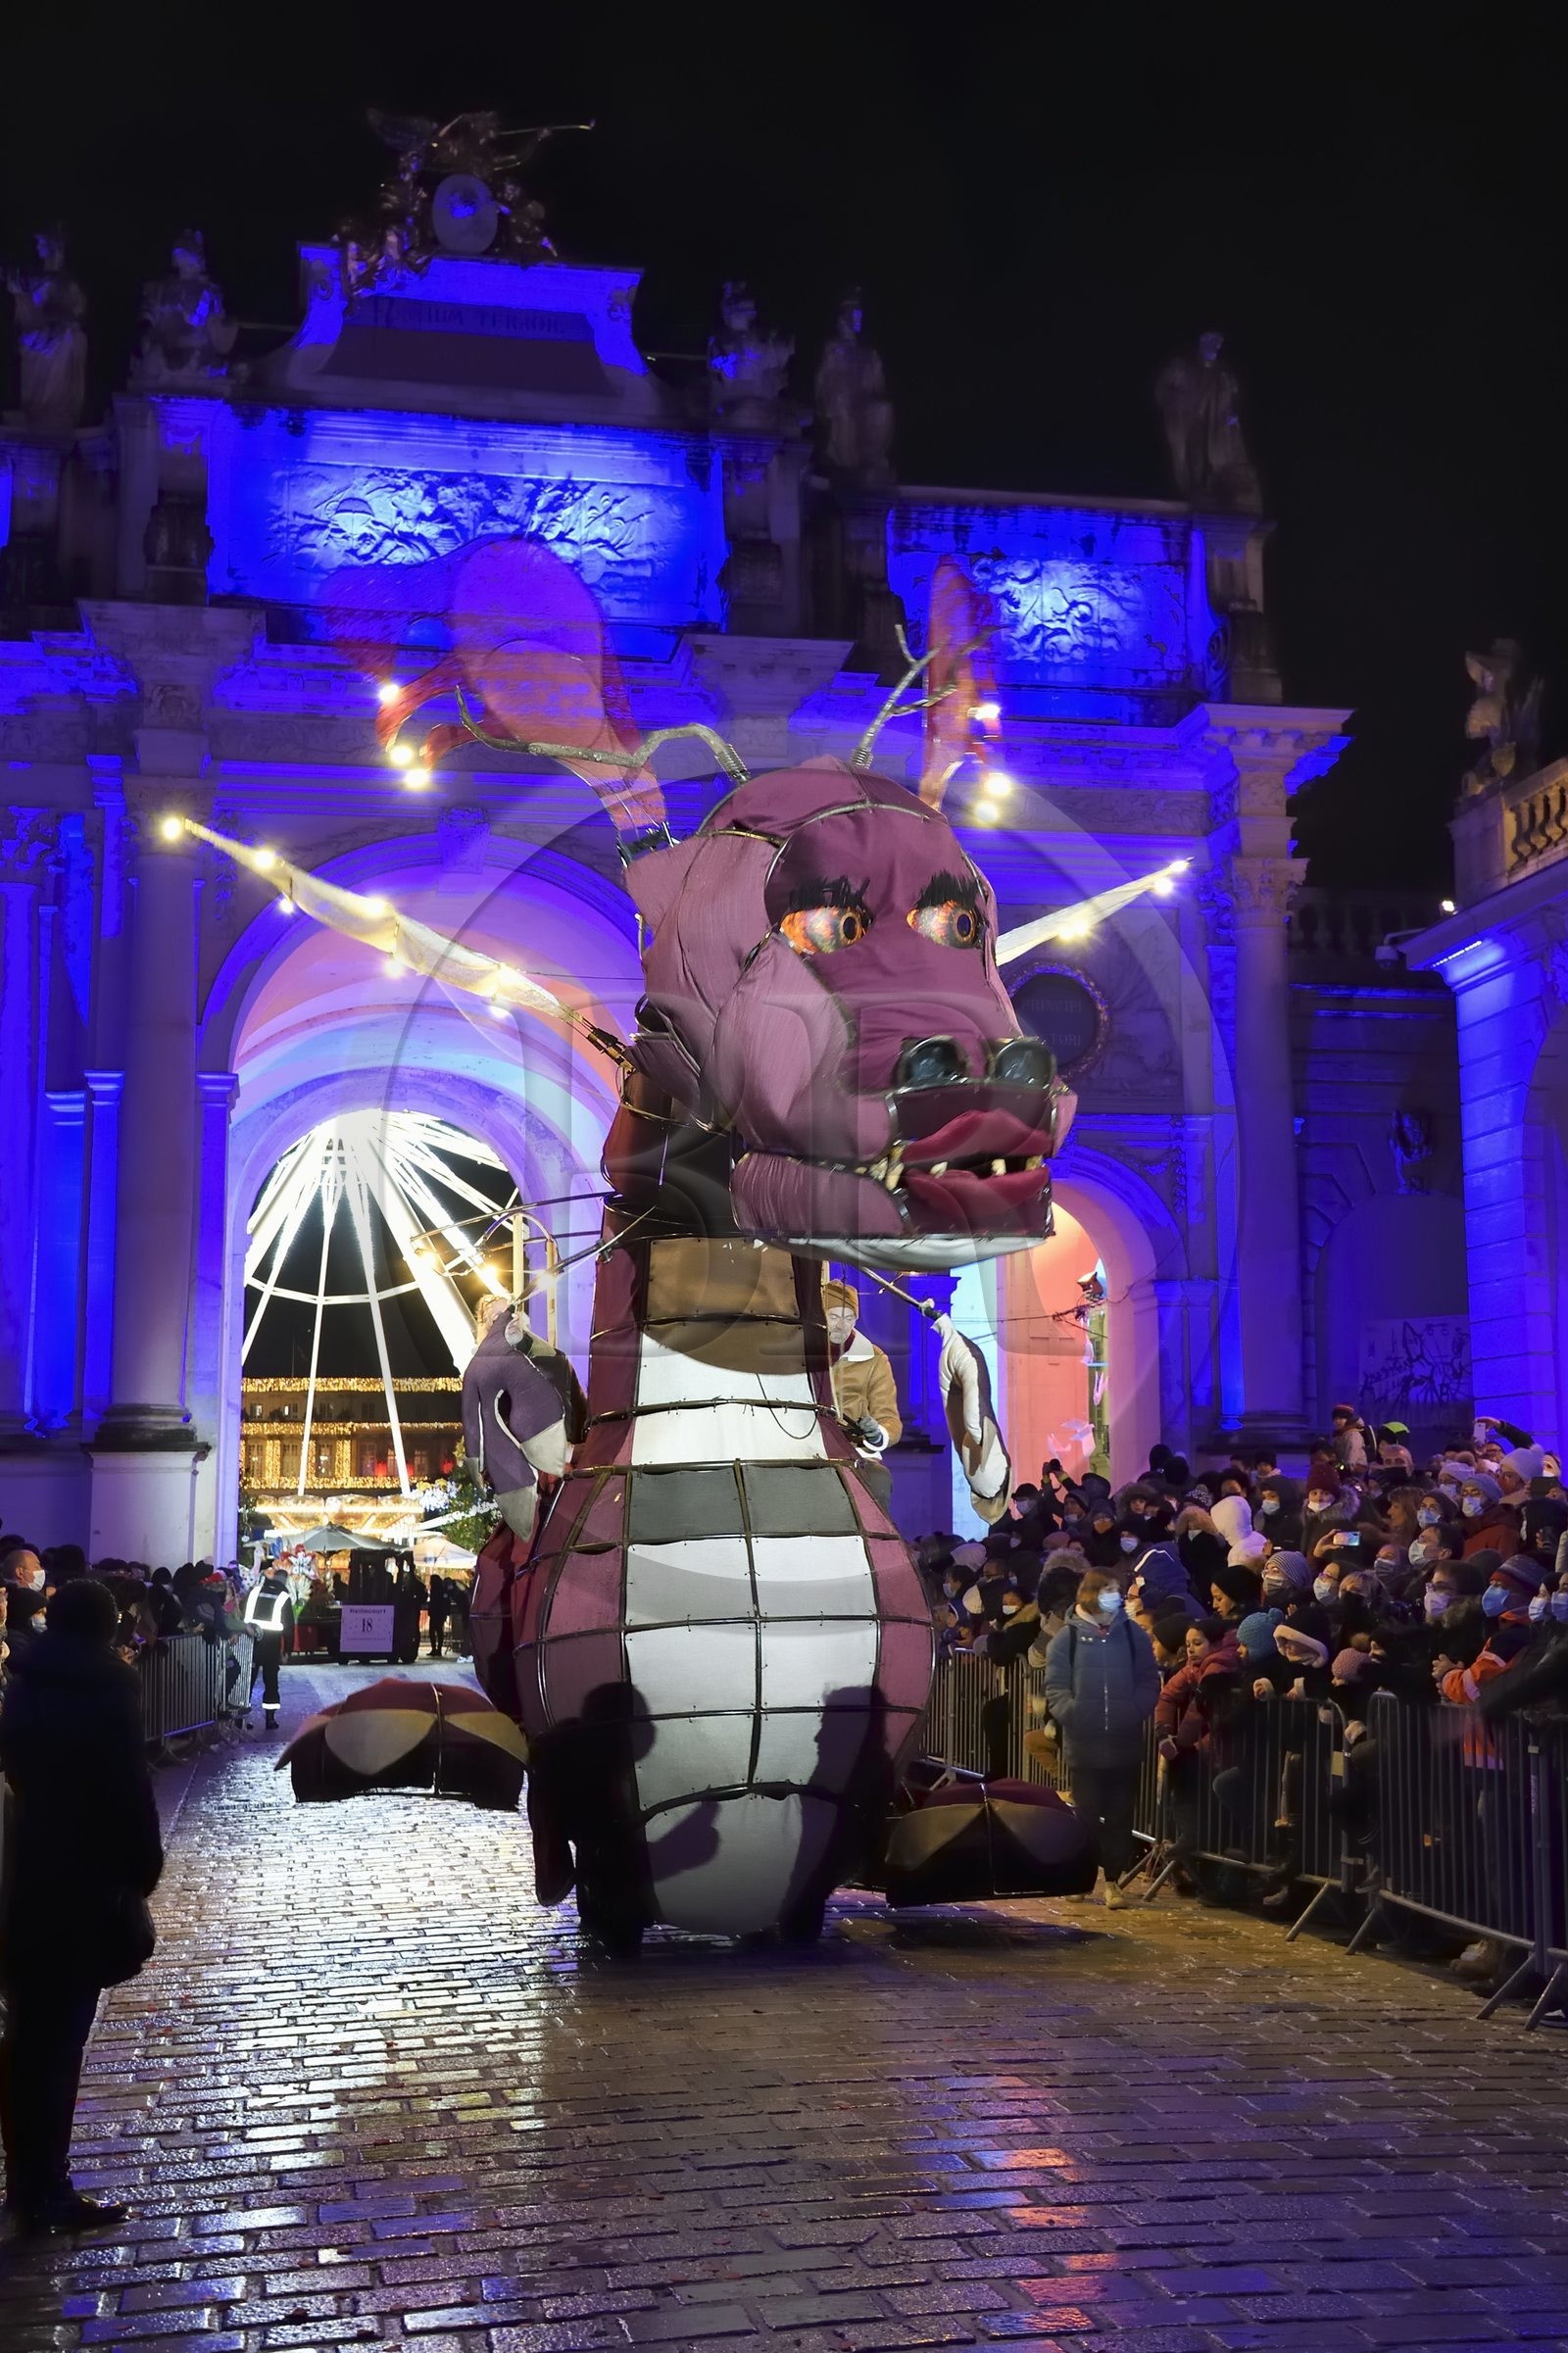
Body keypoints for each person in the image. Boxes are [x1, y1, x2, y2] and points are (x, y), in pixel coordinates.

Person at [0, 1579, 163, 2231]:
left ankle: (25, 2182)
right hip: (82, 1878)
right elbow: (128, 1784)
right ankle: (49, 2184)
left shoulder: (25, 1680)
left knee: (26, 2037)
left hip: (22, 1869)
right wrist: (142, 1867)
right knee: (60, 2039)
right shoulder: (109, 1689)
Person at [1043, 1567, 1160, 1908]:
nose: (1117, 1595)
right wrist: (1075, 1714)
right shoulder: (1068, 1638)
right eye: (1110, 1589)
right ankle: (1081, 1878)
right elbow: (1056, 1688)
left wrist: (1134, 1710)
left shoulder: (1132, 1634)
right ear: (1092, 1593)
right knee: (1087, 1814)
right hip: (1085, 1743)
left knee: (1121, 1815)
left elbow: (1148, 1679)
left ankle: (1114, 1882)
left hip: (1124, 1741)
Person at [822, 1279, 902, 1508]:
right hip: (807, 1446)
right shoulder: (800, 1353)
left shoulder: (875, 1359)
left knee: (878, 1480)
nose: (841, 1325)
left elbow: (890, 1419)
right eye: (834, 1316)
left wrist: (877, 1434)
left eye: (849, 1318)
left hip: (855, 1452)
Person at [242, 1559, 294, 1731]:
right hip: (271, 1645)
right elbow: (288, 1628)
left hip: (251, 1642)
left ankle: (241, 1718)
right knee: (271, 1682)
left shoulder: (255, 1591)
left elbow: (242, 1610)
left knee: (246, 1681)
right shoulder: (284, 1597)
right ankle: (270, 1719)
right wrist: (287, 1651)